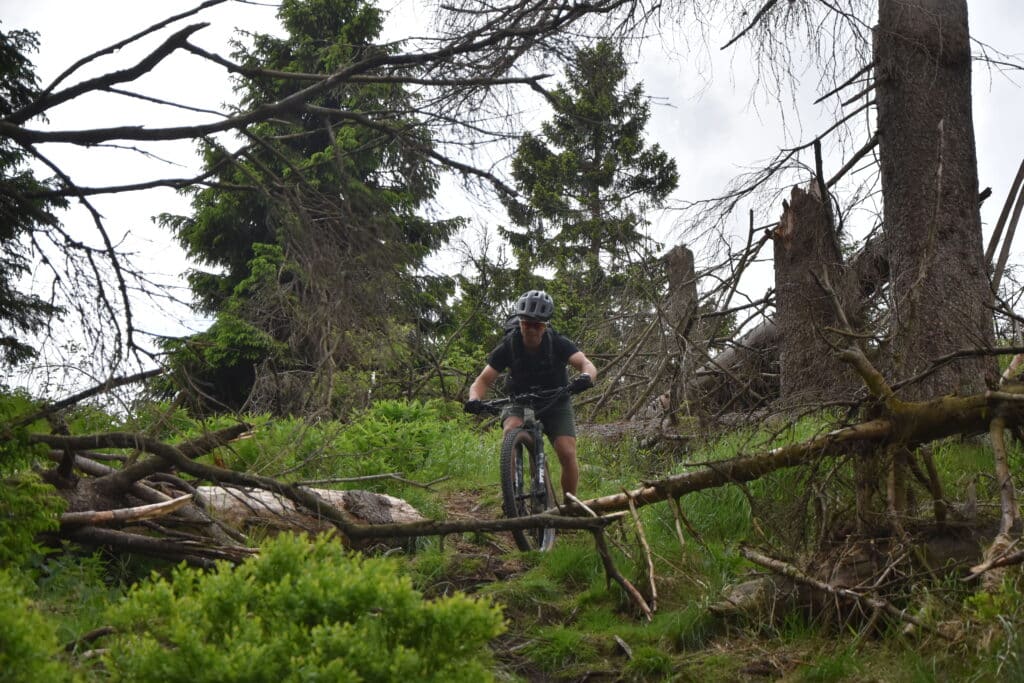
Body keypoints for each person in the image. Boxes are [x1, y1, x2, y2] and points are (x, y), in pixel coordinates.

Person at [464, 289, 598, 497]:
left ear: (545, 326)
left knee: (567, 451)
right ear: (519, 323)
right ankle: (510, 494)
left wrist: (586, 377)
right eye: (526, 323)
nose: (531, 329)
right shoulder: (508, 346)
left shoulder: (558, 343)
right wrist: (474, 399)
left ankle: (570, 505)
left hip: (555, 399)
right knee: (511, 429)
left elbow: (585, 364)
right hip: (520, 400)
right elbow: (482, 381)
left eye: (537, 325)